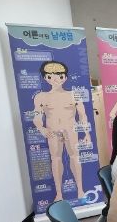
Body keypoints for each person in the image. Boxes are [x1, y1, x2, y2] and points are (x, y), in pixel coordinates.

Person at [33, 61, 91, 201]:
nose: (55, 79)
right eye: (50, 76)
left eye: (59, 76)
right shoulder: (41, 97)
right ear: (45, 78)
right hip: (52, 131)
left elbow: (82, 115)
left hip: (71, 129)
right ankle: (59, 193)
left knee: (75, 157)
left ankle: (80, 190)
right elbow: (37, 117)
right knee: (56, 159)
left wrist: (87, 133)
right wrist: (41, 128)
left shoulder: (74, 94)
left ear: (65, 77)